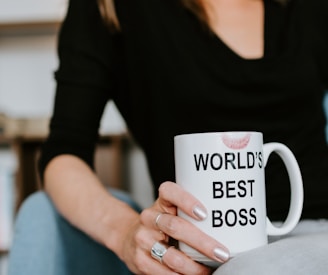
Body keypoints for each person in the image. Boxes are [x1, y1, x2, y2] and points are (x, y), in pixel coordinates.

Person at [7, 0, 328, 274]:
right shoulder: (113, 8)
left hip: (312, 230)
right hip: (188, 247)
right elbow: (64, 151)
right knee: (39, 213)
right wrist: (124, 231)